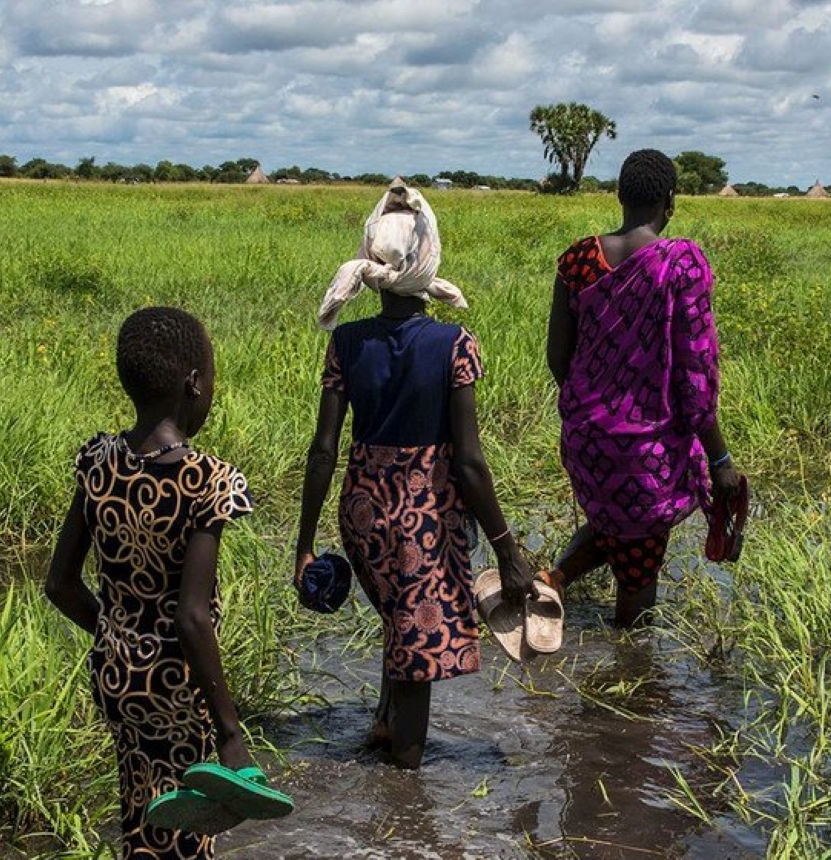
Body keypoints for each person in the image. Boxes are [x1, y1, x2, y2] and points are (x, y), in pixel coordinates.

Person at [294, 225, 535, 770]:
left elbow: (323, 450)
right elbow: (469, 464)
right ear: (427, 264)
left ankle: (384, 724)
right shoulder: (453, 344)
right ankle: (405, 786)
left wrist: (304, 545)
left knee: (398, 622)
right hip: (422, 521)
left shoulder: (347, 342)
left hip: (362, 514)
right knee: (417, 654)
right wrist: (506, 549)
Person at [43, 307, 266, 857]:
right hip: (178, 684)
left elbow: (60, 585)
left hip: (118, 676)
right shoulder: (208, 480)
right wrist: (231, 731)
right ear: (193, 384)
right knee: (191, 830)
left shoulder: (98, 461)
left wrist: (120, 637)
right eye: (210, 378)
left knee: (142, 808)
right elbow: (191, 616)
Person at [545, 149, 745, 629]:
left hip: (586, 439)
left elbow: (557, 357)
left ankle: (550, 581)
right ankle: (630, 667)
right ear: (670, 201)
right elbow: (695, 375)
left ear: (620, 195)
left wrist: (596, 409)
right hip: (645, 449)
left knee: (615, 524)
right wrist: (719, 459)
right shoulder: (681, 264)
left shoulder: (578, 259)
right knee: (637, 598)